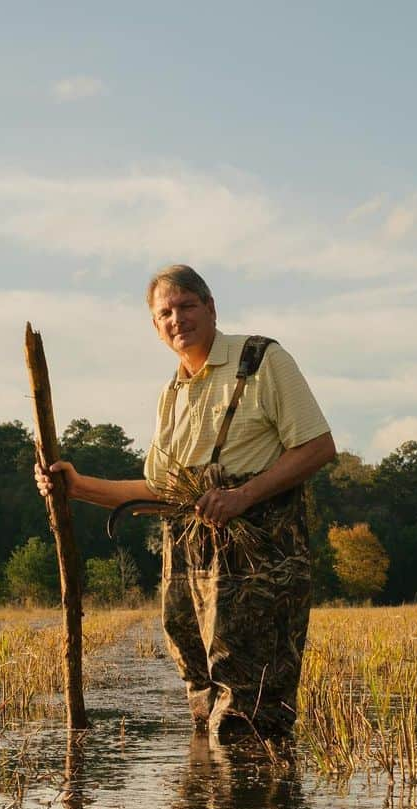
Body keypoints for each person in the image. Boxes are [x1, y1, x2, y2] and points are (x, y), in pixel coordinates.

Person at [35, 264, 335, 742]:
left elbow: (318, 447)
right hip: (188, 570)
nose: (177, 319)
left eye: (187, 306)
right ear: (155, 328)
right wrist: (75, 485)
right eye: (165, 313)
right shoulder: (171, 395)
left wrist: (242, 496)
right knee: (203, 700)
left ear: (211, 307)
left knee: (251, 715)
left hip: (258, 572)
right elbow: (159, 492)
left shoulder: (261, 360)